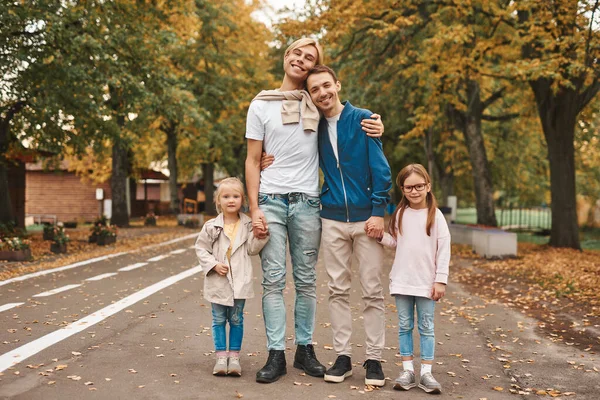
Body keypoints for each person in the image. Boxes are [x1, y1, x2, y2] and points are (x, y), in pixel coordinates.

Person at [245, 38, 384, 384]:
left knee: (307, 281)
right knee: (273, 281)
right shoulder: (262, 104)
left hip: (308, 202)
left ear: (316, 71)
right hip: (272, 200)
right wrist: (254, 208)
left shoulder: (317, 106)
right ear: (286, 57)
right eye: (297, 53)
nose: (301, 60)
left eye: (310, 58)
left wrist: (377, 125)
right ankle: (275, 353)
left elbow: (344, 123)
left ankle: (304, 350)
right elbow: (251, 159)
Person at [306, 65, 391, 386]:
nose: (323, 93)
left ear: (337, 85)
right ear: (310, 95)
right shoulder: (311, 125)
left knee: (371, 290)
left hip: (366, 218)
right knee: (337, 289)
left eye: (326, 86)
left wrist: (378, 210)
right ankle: (342, 356)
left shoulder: (363, 118)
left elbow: (380, 168)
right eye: (315, 90)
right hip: (331, 219)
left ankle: (374, 359)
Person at [378, 164, 451, 394]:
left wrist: (440, 280)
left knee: (426, 327)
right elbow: (397, 243)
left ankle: (426, 373)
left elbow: (444, 249)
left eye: (419, 186)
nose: (414, 191)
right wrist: (380, 236)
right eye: (409, 187)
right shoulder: (400, 213)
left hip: (426, 282)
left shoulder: (435, 215)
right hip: (402, 281)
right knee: (404, 326)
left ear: (428, 186)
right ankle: (407, 370)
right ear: (402, 189)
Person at [194, 177, 269, 377]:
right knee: (218, 319)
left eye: (235, 196)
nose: (231, 200)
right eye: (226, 196)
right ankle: (220, 357)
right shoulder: (212, 226)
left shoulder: (246, 223)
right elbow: (201, 249)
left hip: (239, 281)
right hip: (218, 281)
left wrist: (261, 235)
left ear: (242, 199)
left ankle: (234, 357)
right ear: (219, 201)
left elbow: (252, 249)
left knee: (236, 319)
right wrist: (213, 265)